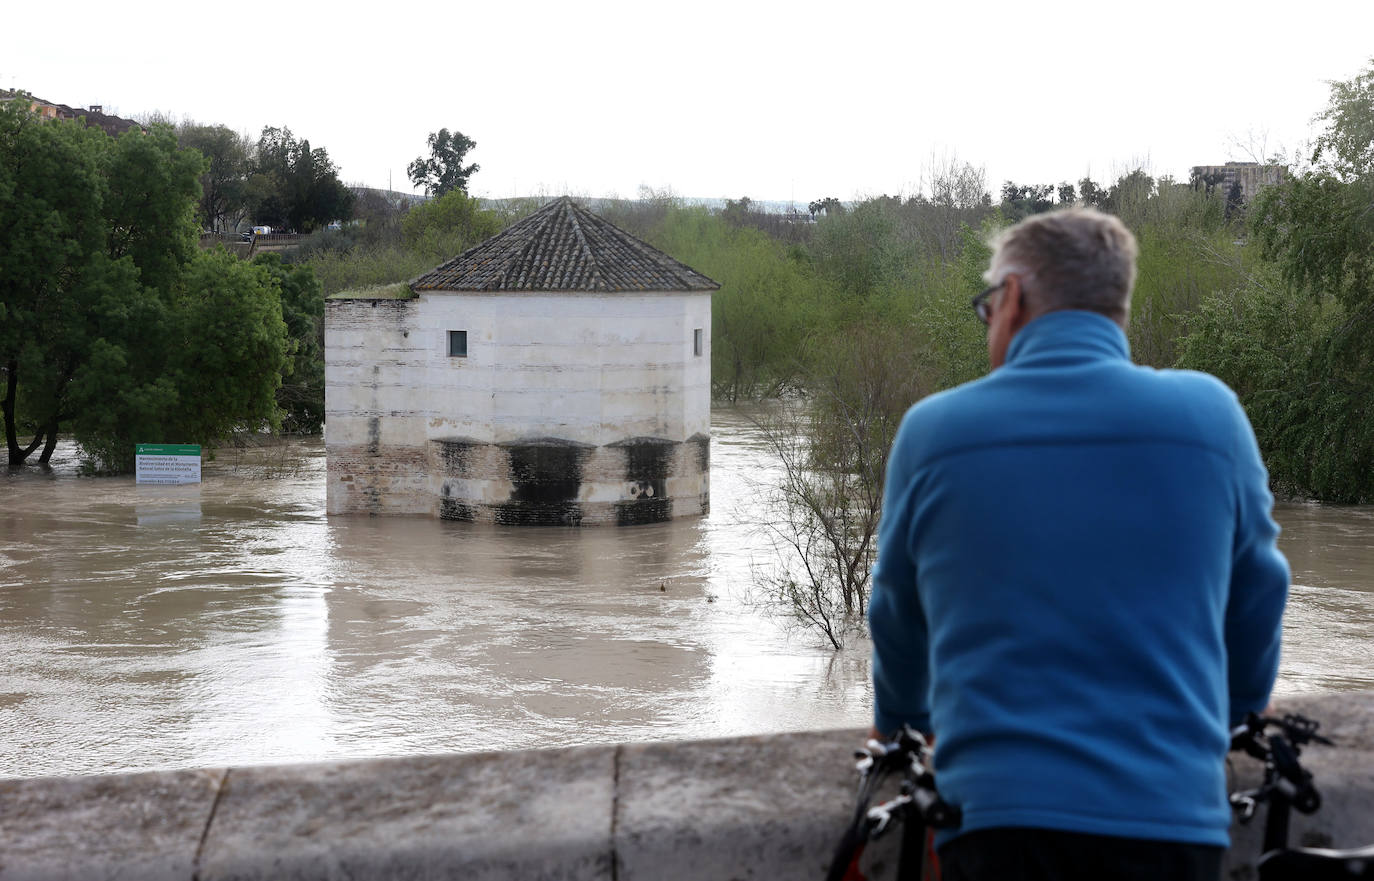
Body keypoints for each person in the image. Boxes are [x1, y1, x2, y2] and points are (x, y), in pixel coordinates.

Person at [867, 208, 1289, 881]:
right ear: (1114, 306)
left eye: (987, 308)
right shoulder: (1212, 416)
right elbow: (1260, 590)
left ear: (1011, 298)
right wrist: (1239, 706)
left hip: (996, 821)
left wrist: (901, 720)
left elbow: (896, 611)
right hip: (1172, 819)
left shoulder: (936, 430)